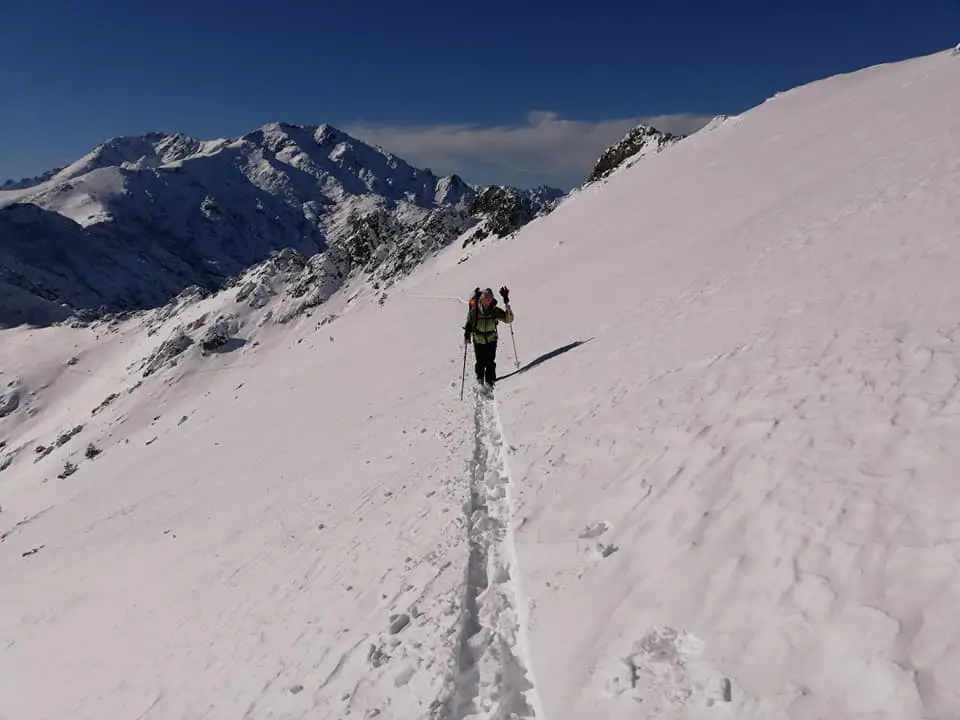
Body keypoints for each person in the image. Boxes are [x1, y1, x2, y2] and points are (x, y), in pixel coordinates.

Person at [463, 286, 513, 387]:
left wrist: (507, 304)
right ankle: (480, 379)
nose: (487, 301)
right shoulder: (475, 311)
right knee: (480, 361)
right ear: (481, 299)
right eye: (485, 299)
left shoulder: (494, 310)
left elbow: (508, 320)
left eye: (489, 299)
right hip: (478, 339)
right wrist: (467, 335)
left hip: (491, 339)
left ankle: (490, 380)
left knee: (490, 361)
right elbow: (469, 323)